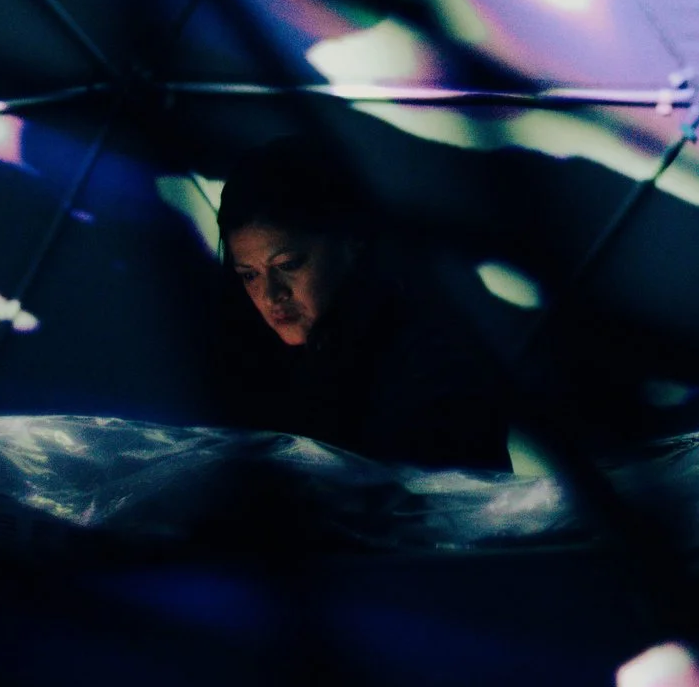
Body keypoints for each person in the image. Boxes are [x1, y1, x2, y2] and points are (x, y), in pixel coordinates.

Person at [212, 136, 509, 471]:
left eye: (288, 264)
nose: (270, 295)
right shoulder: (265, 359)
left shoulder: (433, 368)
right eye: (249, 275)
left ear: (351, 241)